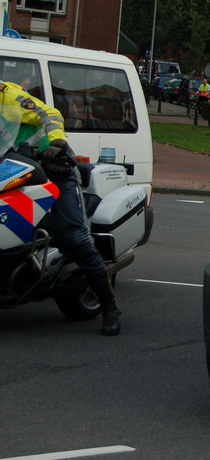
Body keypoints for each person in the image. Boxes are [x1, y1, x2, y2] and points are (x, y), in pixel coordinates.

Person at [0, 81, 121, 336]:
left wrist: (57, 144)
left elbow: (49, 114)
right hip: (17, 170)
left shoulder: (6, 95)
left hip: (55, 166)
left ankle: (110, 308)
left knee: (76, 236)